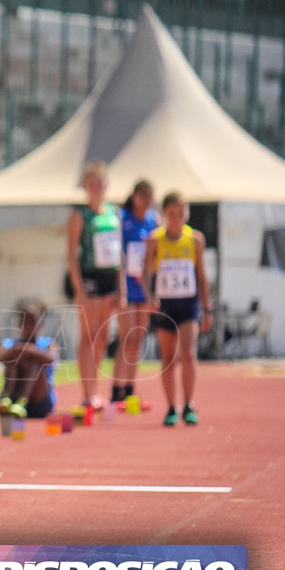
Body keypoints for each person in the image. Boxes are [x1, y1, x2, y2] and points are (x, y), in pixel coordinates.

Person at [143, 191, 212, 426]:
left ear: (186, 213)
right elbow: (146, 274)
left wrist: (207, 308)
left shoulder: (195, 240)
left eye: (180, 213)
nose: (175, 218)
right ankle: (172, 406)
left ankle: (189, 404)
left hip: (188, 304)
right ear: (164, 215)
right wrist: (149, 297)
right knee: (168, 358)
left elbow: (201, 276)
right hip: (165, 305)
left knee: (188, 353)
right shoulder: (154, 239)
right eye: (171, 214)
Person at [66, 160, 125, 410]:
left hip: (109, 278)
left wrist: (121, 287)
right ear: (85, 187)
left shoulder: (114, 213)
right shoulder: (81, 216)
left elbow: (119, 251)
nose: (96, 188)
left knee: (102, 336)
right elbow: (71, 255)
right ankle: (87, 392)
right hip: (89, 277)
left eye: (100, 183)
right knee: (88, 336)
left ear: (106, 185)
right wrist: (79, 290)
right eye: (91, 184)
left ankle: (96, 390)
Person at [111, 179, 158, 406]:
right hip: (126, 288)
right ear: (135, 196)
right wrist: (119, 288)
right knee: (126, 338)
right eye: (144, 196)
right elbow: (117, 253)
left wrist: (152, 291)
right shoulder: (122, 218)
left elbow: (154, 258)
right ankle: (116, 387)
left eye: (151, 196)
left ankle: (130, 388)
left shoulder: (152, 222)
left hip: (143, 289)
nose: (147, 201)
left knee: (138, 338)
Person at [0, 301, 59, 419]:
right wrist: (18, 350)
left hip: (40, 401)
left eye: (33, 322)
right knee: (13, 359)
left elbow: (51, 358)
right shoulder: (10, 344)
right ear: (19, 324)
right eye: (26, 322)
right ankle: (7, 400)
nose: (30, 326)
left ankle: (21, 403)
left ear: (41, 324)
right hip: (14, 392)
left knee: (34, 363)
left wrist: (31, 350)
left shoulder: (49, 343)